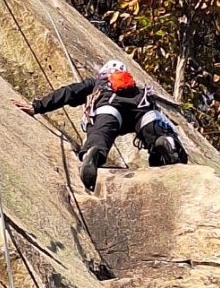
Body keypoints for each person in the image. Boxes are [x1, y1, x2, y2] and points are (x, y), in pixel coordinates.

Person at [15, 59, 188, 191]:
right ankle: (163, 142)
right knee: (154, 131)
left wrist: (37, 107)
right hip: (142, 108)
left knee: (101, 133)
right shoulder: (138, 89)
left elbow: (69, 92)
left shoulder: (97, 84)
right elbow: (160, 116)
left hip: (109, 107)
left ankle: (94, 152)